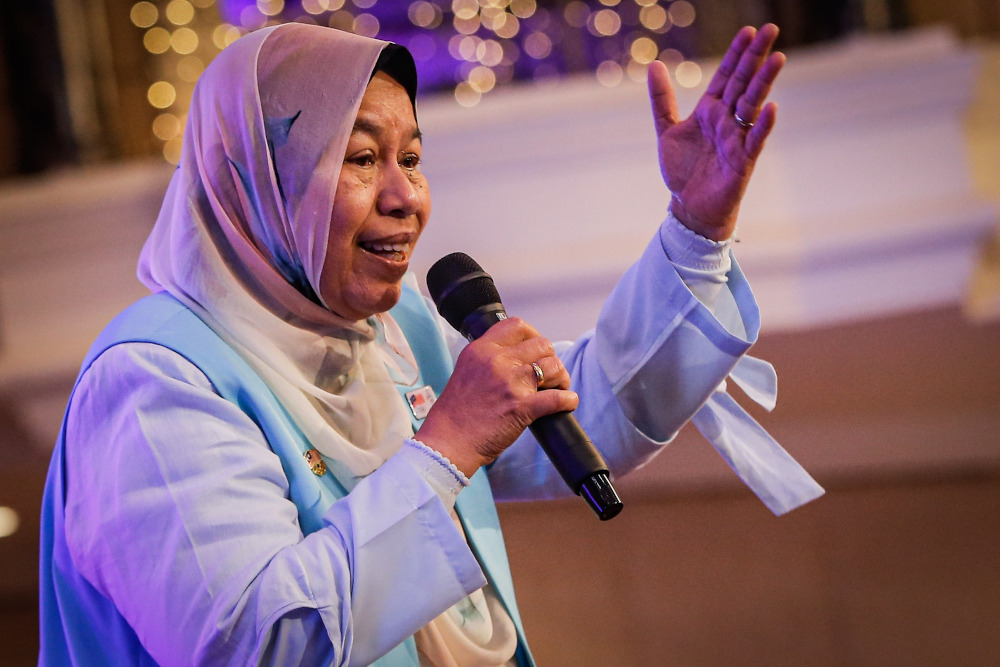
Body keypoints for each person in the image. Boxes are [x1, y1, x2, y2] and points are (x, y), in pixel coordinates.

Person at [39, 21, 822, 666]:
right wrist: (447, 444)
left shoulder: (391, 329)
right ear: (260, 179)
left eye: (411, 157)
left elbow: (584, 413)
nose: (405, 196)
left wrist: (696, 229)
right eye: (362, 158)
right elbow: (253, 643)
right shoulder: (154, 377)